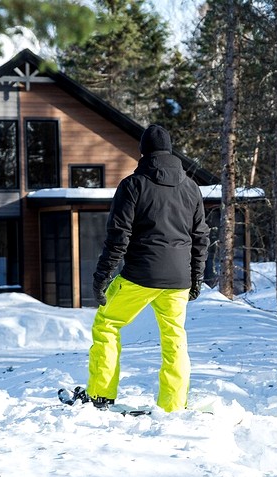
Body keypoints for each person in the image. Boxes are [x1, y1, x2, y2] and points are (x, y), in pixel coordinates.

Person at [87, 124, 210, 413]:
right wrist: (196, 278)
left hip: (140, 276)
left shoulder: (132, 185)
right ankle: (173, 403)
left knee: (107, 324)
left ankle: (101, 394)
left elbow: (118, 237)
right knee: (174, 337)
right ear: (170, 151)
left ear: (143, 152)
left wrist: (102, 276)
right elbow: (200, 237)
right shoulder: (191, 188)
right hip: (179, 279)